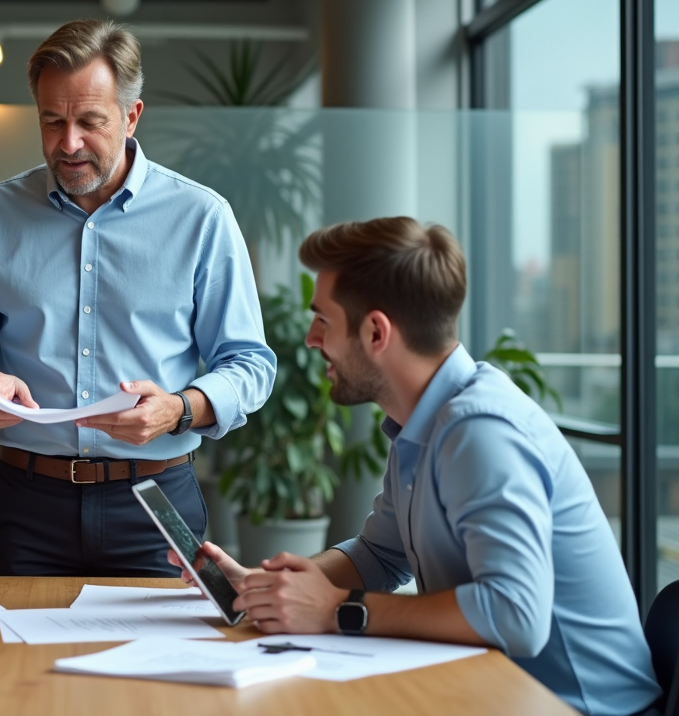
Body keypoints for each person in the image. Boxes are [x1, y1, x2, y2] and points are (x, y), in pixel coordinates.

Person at [173, 217, 661, 716]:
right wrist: (269, 587)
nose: (310, 340)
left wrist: (336, 611)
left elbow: (515, 616)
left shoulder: (481, 432)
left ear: (376, 331)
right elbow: (380, 557)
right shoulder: (423, 421)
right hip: (498, 693)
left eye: (323, 320)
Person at [0, 19, 276, 576]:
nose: (68, 144)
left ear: (132, 116)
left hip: (154, 503)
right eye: (52, 121)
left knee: (155, 666)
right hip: (25, 504)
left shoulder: (202, 217)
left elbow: (250, 364)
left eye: (90, 122)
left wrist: (178, 410)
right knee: (13, 665)